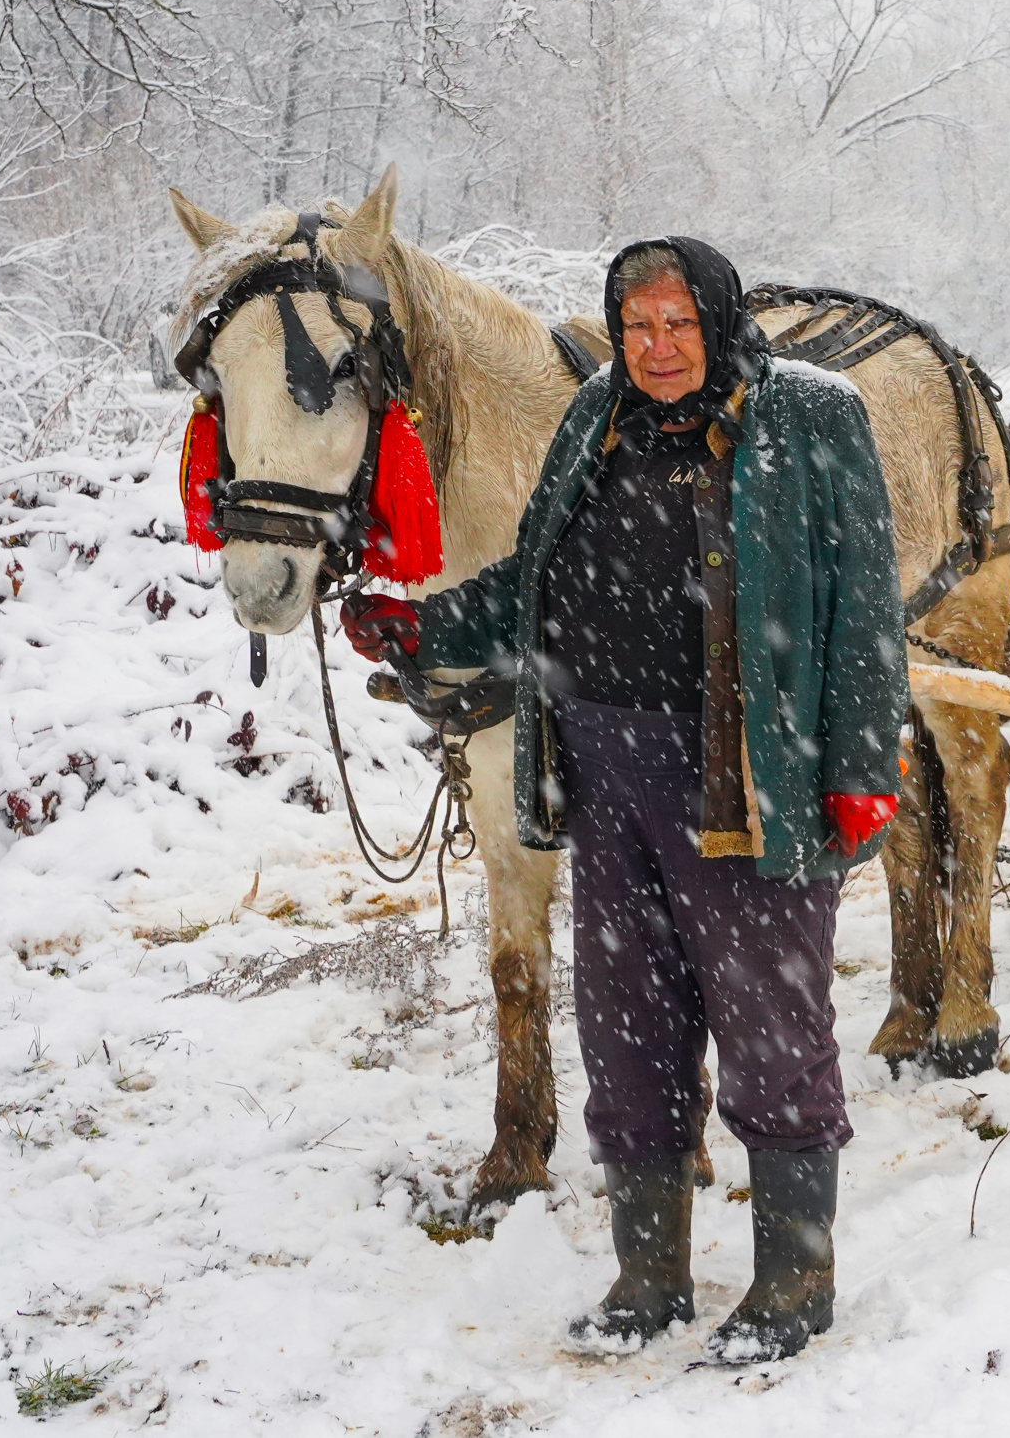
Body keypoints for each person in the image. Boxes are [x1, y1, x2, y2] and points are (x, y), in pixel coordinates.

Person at [340, 236, 909, 1362]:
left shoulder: (808, 414)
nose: (654, 348)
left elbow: (863, 595)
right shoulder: (597, 410)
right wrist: (431, 623)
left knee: (770, 1027)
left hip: (749, 772)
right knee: (628, 1031)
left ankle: (795, 1280)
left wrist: (859, 768)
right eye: (636, 323)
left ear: (718, 317)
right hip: (601, 774)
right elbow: (538, 574)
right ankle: (650, 1277)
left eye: (677, 323)